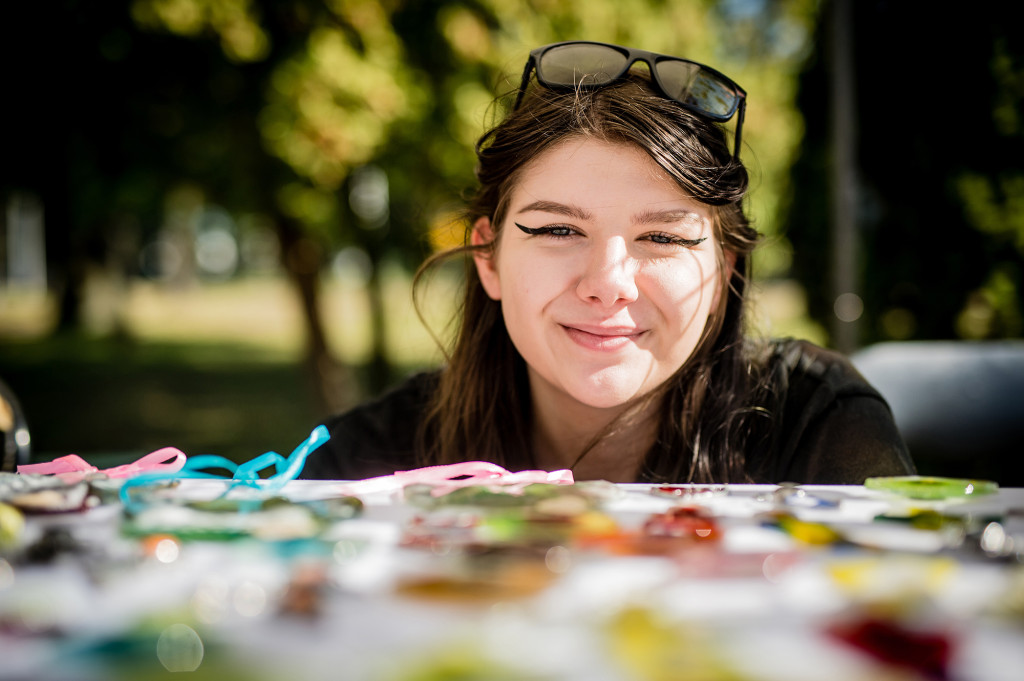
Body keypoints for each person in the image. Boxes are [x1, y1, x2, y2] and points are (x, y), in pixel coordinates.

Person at [301, 41, 915, 484]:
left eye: (665, 239)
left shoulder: (819, 426)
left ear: (725, 268)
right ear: (488, 257)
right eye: (559, 228)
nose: (608, 284)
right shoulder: (374, 461)